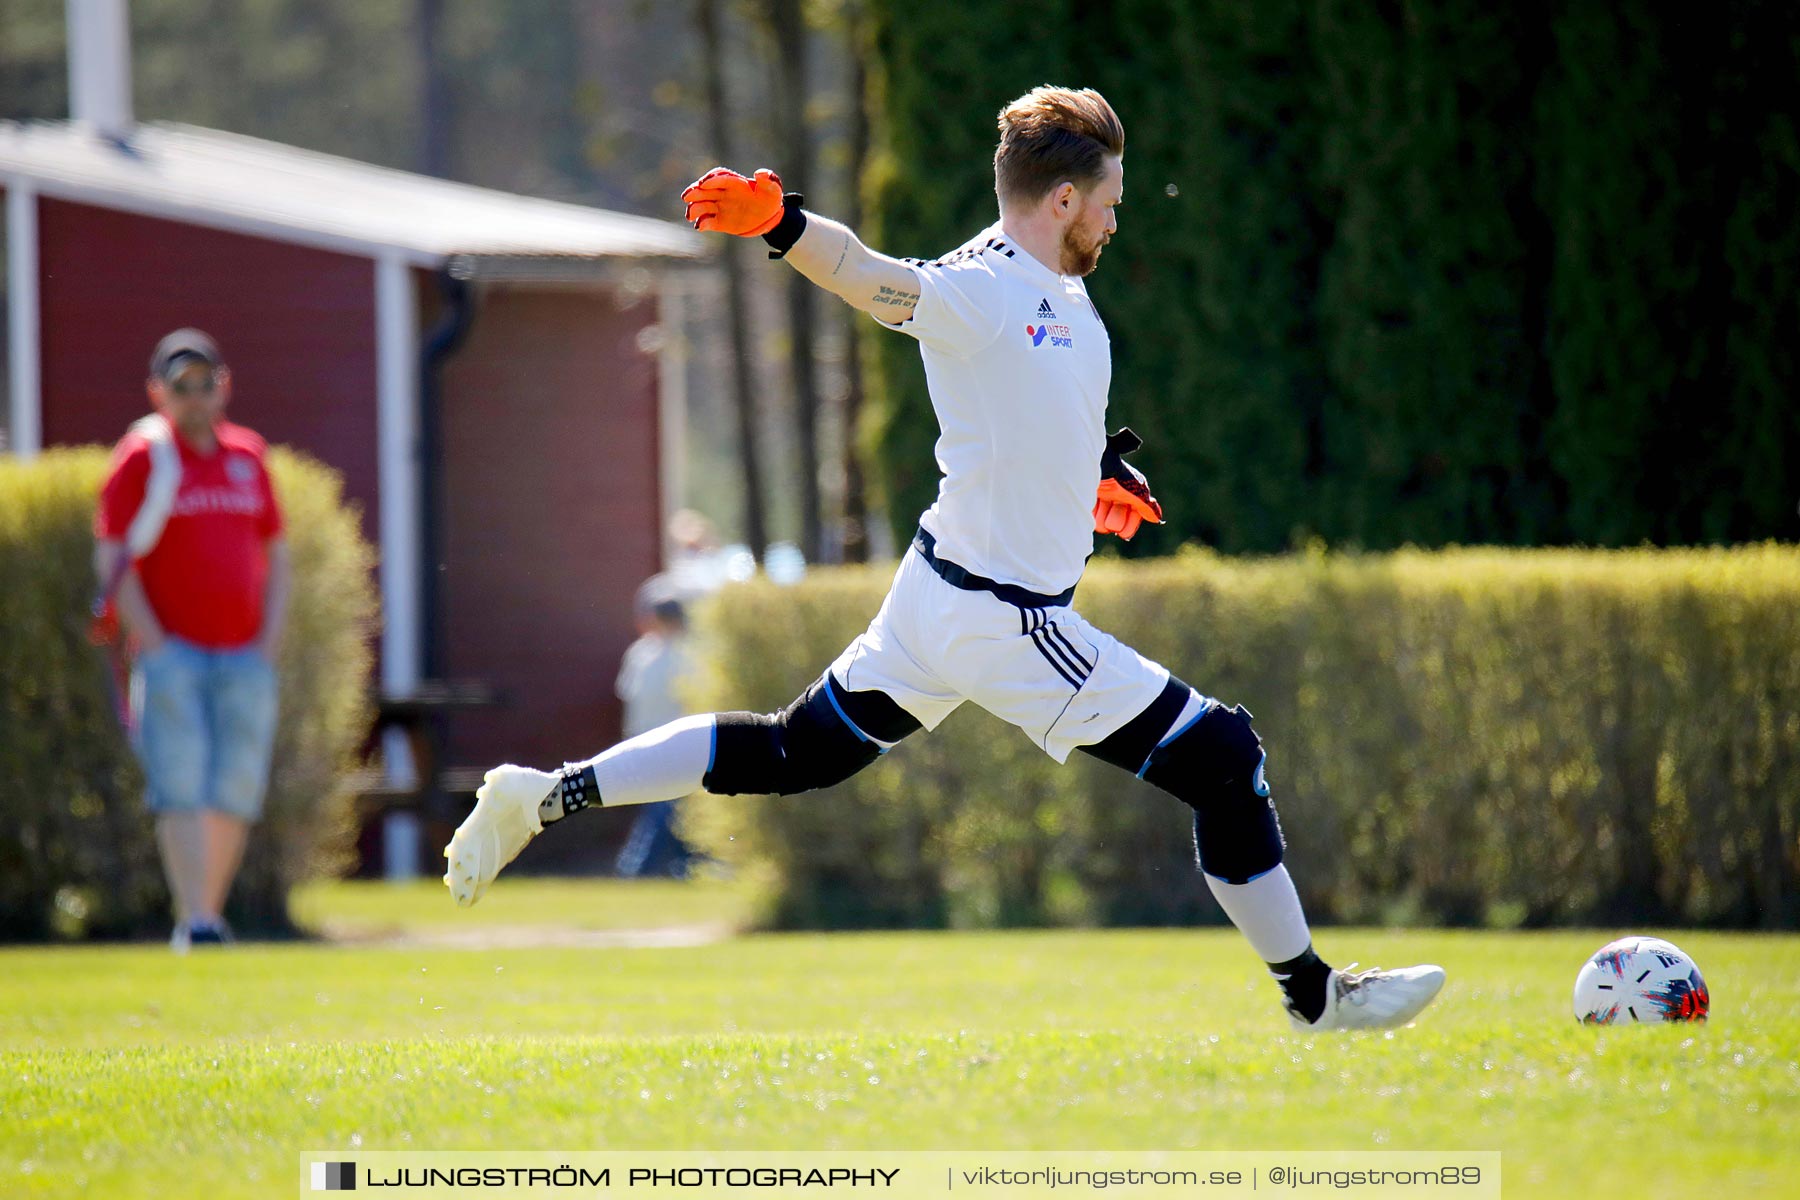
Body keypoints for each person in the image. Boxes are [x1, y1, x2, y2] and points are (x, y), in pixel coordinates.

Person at [445, 87, 1444, 1030]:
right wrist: (783, 225)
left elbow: (1029, 411)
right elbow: (876, 279)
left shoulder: (1058, 290)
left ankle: (543, 793)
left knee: (796, 752)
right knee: (1226, 758)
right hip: (1004, 621)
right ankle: (1317, 998)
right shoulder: (978, 287)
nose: (1116, 220)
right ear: (1064, 199)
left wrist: (1093, 476)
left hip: (937, 599)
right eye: (1109, 203)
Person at [95, 329, 288, 951]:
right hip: (172, 652)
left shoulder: (249, 455)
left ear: (223, 385)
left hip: (245, 654)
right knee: (180, 781)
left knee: (236, 785)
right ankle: (195, 920)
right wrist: (148, 637)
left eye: (206, 383)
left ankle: (208, 913)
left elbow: (276, 552)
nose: (196, 397)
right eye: (182, 387)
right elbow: (112, 557)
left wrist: (271, 636)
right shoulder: (141, 460)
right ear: (159, 392)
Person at [612, 578, 696, 878]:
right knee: (665, 809)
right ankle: (637, 867)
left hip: (643, 742)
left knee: (664, 807)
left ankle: (678, 866)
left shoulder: (640, 654)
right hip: (672, 744)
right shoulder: (684, 656)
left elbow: (627, 697)